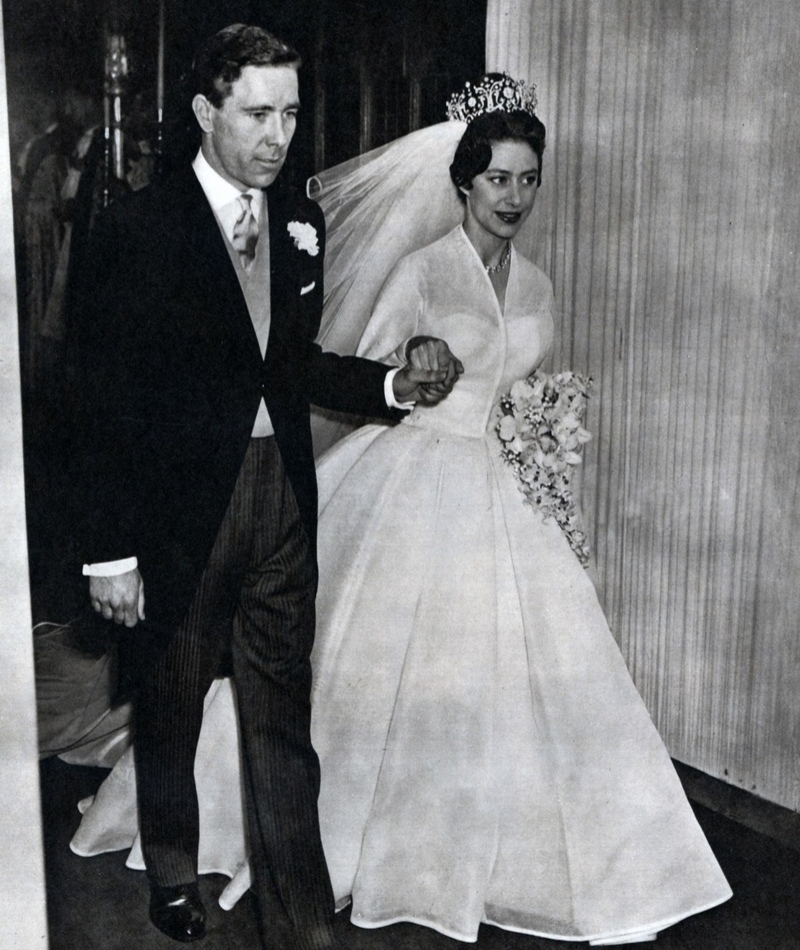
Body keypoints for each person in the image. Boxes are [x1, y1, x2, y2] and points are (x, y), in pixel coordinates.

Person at [67, 73, 732, 945]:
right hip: (412, 486)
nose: (514, 198)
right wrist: (405, 373)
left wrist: (541, 438)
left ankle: (482, 855)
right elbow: (347, 368)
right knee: (324, 687)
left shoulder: (537, 284)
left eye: (529, 180)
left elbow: (523, 392)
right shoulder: (421, 270)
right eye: (498, 179)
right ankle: (235, 856)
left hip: (504, 501)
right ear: (462, 182)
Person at [69, 23, 460, 949]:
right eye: (257, 113)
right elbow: (96, 402)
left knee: (282, 724)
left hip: (280, 498)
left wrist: (390, 386)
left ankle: (298, 924)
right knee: (166, 701)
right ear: (207, 111)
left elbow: (287, 365)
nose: (278, 135)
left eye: (288, 112)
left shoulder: (300, 221)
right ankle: (171, 869)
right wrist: (110, 552)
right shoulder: (136, 226)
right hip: (173, 514)